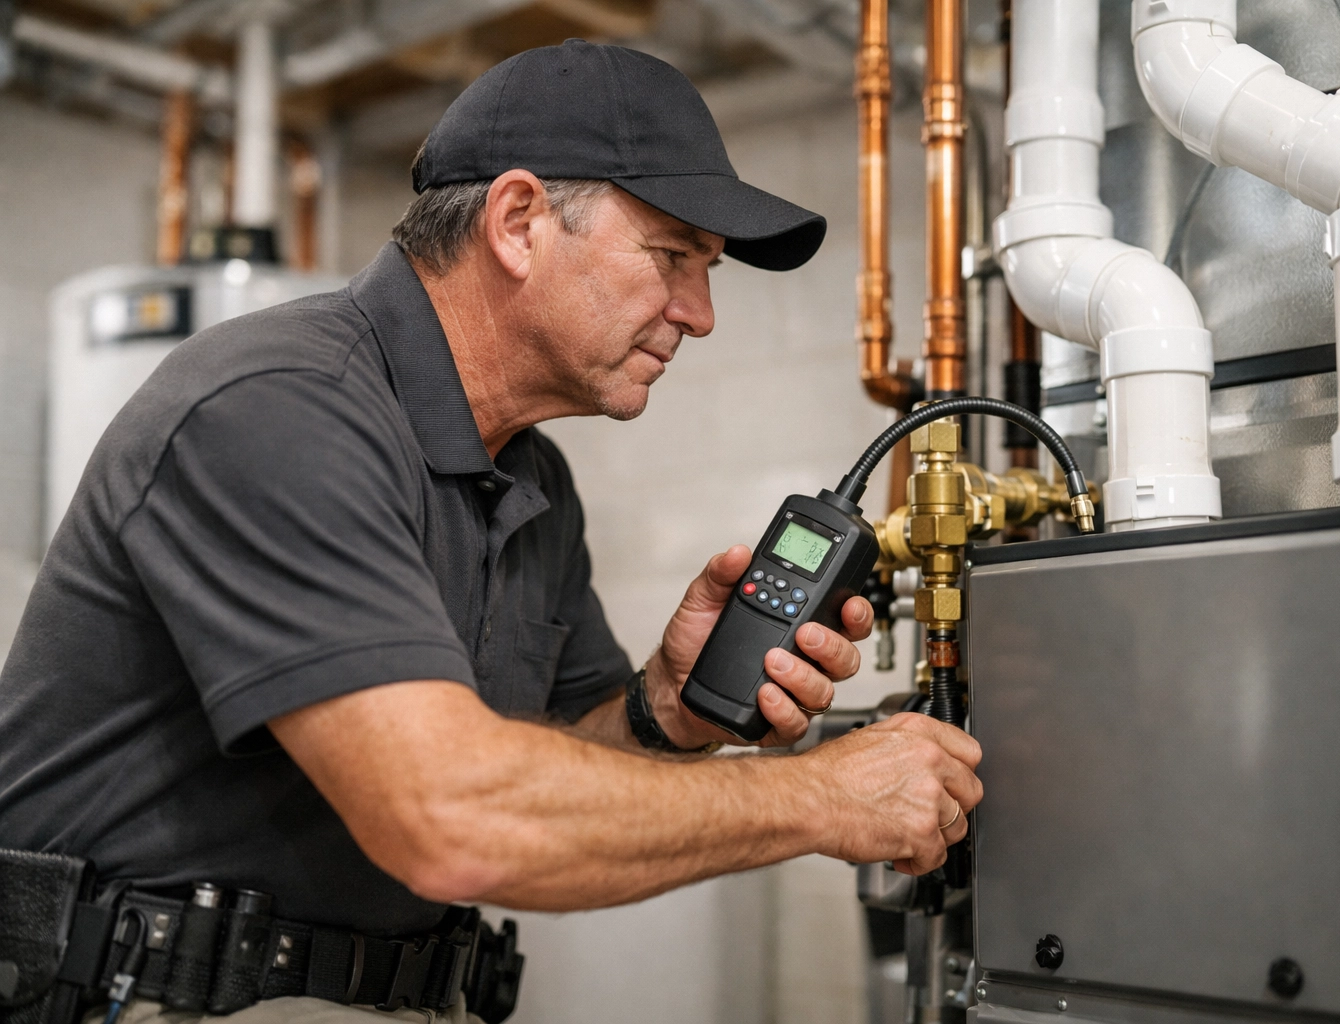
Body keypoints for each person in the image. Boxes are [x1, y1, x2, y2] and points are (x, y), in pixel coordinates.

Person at [0, 40, 981, 1023]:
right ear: (517, 223)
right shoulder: (280, 405)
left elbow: (551, 757)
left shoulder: (527, 473)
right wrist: (825, 798)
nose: (701, 313)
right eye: (674, 256)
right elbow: (454, 818)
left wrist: (662, 710)